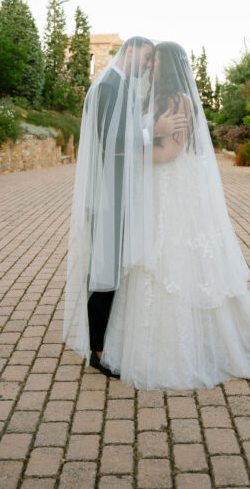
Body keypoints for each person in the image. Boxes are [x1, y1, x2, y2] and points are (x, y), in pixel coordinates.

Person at [100, 40, 250, 390]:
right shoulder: (154, 100)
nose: (150, 67)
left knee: (173, 260)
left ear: (170, 65)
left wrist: (129, 156)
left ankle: (189, 348)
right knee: (152, 259)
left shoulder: (179, 102)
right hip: (155, 191)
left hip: (171, 189)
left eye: (155, 61)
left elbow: (170, 153)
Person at [62, 36, 187, 377]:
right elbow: (110, 142)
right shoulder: (108, 87)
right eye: (146, 58)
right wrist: (154, 131)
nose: (147, 65)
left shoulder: (117, 84)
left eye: (152, 61)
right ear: (129, 50)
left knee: (109, 267)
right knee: (105, 269)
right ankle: (98, 351)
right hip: (107, 196)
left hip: (114, 193)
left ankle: (99, 342)